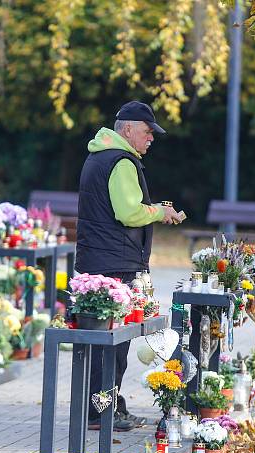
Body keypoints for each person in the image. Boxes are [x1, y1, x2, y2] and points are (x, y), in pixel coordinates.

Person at [75, 101, 181, 432]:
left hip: (99, 259)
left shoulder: (99, 156)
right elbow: (128, 212)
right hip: (115, 263)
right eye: (148, 132)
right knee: (114, 346)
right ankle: (101, 413)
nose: (151, 139)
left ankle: (104, 408)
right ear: (128, 129)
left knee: (102, 342)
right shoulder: (121, 162)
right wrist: (159, 212)